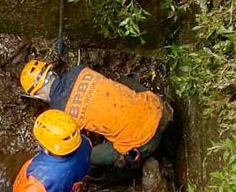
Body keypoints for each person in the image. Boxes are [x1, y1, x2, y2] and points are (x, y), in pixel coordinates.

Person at [19, 59, 172, 168]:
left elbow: (70, 143)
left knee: (84, 156)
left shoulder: (59, 114)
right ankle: (164, 115)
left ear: (37, 95)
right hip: (156, 107)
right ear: (52, 72)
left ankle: (131, 163)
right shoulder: (79, 70)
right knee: (123, 81)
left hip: (145, 141)